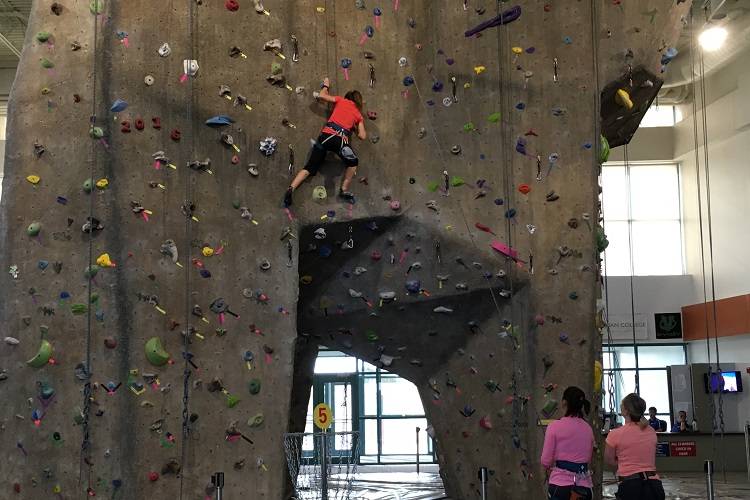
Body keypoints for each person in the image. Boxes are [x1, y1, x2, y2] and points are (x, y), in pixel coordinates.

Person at [283, 77, 366, 207]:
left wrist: (326, 85)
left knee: (309, 168)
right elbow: (362, 136)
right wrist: (355, 126)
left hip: (326, 136)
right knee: (353, 162)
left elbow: (322, 96)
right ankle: (344, 190)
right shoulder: (358, 114)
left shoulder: (340, 100)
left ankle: (291, 188)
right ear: (359, 102)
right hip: (340, 140)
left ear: (347, 97)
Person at [605, 394, 665, 500]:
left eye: (622, 405)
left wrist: (622, 462)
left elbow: (609, 460)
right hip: (654, 485)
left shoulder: (615, 434)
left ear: (627, 411)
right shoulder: (651, 431)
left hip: (630, 486)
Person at [540, 386, 594, 500]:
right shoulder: (588, 428)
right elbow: (588, 459)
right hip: (584, 488)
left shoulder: (554, 426)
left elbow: (545, 461)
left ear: (564, 402)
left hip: (560, 486)